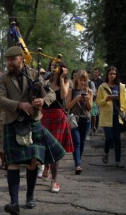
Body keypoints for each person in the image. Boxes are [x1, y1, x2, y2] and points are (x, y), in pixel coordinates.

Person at [0, 46, 66, 214]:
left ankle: (30, 196)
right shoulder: (4, 78)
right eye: (7, 60)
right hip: (13, 122)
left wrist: (43, 101)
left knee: (32, 162)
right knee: (12, 162)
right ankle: (14, 202)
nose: (9, 63)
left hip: (32, 122)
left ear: (21, 58)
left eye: (12, 59)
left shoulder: (34, 75)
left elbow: (51, 95)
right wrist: (19, 105)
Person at [41, 59, 73, 193]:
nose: (55, 68)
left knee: (55, 149)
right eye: (53, 65)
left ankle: (54, 181)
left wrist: (61, 79)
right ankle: (46, 166)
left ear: (62, 68)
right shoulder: (46, 80)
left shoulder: (66, 81)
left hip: (58, 116)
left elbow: (63, 96)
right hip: (44, 115)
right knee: (44, 145)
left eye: (57, 66)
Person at [96, 66, 126, 168]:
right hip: (106, 117)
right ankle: (106, 153)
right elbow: (98, 102)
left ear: (116, 75)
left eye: (114, 74)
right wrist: (106, 99)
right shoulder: (102, 87)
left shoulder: (121, 87)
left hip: (118, 117)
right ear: (107, 75)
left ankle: (118, 160)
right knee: (109, 138)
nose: (112, 76)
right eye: (110, 74)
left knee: (117, 139)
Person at [66, 70, 93, 175]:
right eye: (81, 80)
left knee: (82, 142)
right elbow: (67, 106)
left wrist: (87, 100)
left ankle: (78, 162)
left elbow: (90, 108)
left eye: (84, 80)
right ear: (76, 80)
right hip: (74, 120)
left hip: (85, 119)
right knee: (76, 142)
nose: (83, 82)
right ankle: (77, 164)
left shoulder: (89, 91)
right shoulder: (71, 91)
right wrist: (76, 99)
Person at [91, 68, 104, 133]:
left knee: (97, 113)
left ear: (98, 73)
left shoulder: (101, 81)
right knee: (92, 113)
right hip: (92, 98)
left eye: (96, 72)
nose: (95, 73)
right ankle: (92, 126)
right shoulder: (91, 80)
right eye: (94, 72)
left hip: (99, 97)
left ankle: (96, 126)